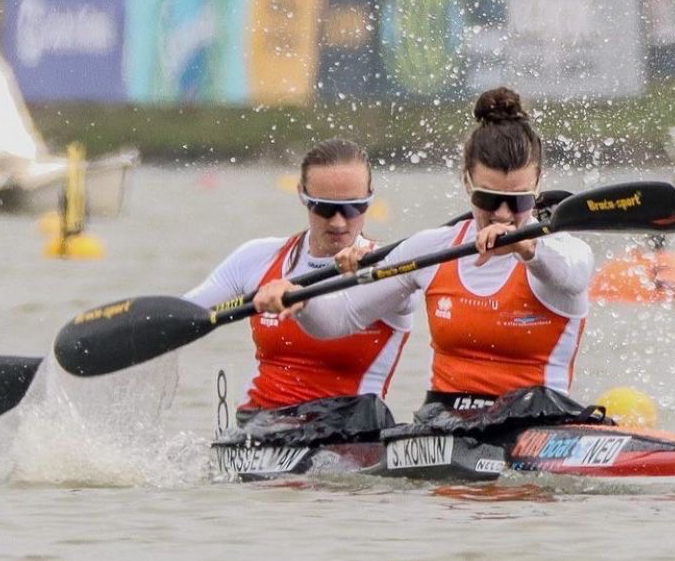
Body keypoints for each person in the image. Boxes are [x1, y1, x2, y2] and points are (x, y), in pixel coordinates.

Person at [254, 87, 594, 411]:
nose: (503, 214)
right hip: (445, 425)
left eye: (517, 200)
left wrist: (528, 247)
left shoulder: (561, 250)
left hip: (535, 421)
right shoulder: (433, 249)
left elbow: (573, 275)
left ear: (537, 187)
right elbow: (340, 319)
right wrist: (300, 300)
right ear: (466, 183)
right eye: (488, 198)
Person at [185, 138, 411, 419]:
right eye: (325, 208)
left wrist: (299, 299)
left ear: (370, 197)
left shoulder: (392, 268)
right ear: (302, 194)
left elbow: (334, 320)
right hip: (258, 426)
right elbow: (183, 313)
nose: (339, 222)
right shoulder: (258, 258)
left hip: (349, 429)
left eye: (354, 207)